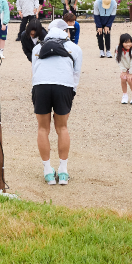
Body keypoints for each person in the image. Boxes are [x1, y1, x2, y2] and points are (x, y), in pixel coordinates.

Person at [31, 19, 83, 185]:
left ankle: (47, 171)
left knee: (43, 128)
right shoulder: (74, 48)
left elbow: (34, 70)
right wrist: (72, 91)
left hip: (41, 85)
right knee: (62, 127)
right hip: (64, 85)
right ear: (66, 31)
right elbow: (76, 73)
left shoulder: (37, 48)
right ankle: (63, 171)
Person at [116, 32, 132, 105]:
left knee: (130, 80)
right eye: (126, 42)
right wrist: (123, 70)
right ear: (121, 43)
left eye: (130, 42)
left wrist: (131, 73)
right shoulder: (118, 48)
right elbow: (118, 60)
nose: (128, 44)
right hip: (125, 66)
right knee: (123, 78)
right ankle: (125, 95)